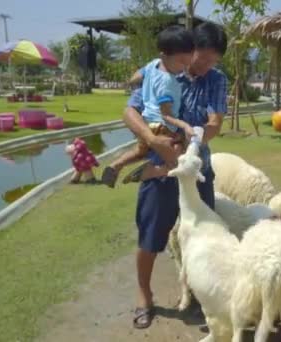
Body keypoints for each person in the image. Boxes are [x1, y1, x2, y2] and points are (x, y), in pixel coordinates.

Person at [122, 22, 228, 330]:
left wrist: (193, 144)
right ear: (189, 49)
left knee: (203, 233)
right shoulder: (161, 71)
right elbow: (130, 111)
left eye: (213, 61)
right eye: (203, 58)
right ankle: (144, 295)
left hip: (196, 170)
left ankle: (199, 293)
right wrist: (152, 139)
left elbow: (215, 122)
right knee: (151, 234)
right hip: (160, 167)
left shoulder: (216, 80)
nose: (207, 65)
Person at [101, 26, 195, 188]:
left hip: (146, 122)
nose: (184, 68)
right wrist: (185, 126)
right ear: (164, 56)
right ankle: (153, 171)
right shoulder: (168, 83)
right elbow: (166, 115)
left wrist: (133, 83)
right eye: (181, 62)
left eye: (187, 62)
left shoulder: (153, 65)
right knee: (181, 152)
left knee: (140, 150)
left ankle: (115, 165)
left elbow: (136, 76)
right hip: (163, 126)